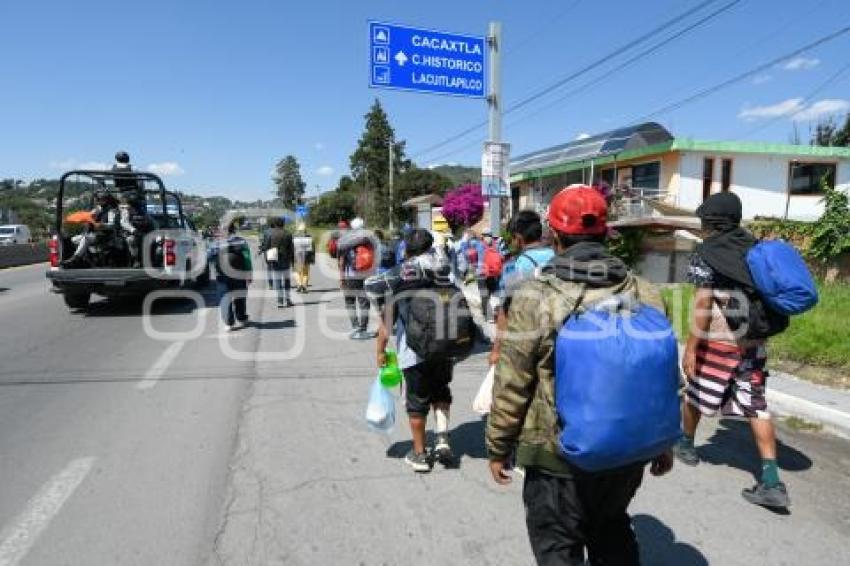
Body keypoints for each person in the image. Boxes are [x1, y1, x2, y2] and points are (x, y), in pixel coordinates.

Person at [486, 186, 675, 566]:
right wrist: (663, 441)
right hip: (626, 453)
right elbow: (660, 372)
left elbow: (513, 382)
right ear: (607, 234)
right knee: (611, 528)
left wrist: (497, 444)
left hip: (557, 459)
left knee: (558, 545)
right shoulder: (644, 291)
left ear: (554, 236)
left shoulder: (535, 296)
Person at [674, 191, 790, 509]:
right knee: (755, 404)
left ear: (710, 222)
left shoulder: (706, 253)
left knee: (696, 391)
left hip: (718, 341)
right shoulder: (754, 248)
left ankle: (685, 445)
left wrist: (691, 347)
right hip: (754, 342)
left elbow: (702, 303)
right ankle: (771, 479)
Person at [365, 229, 456, 472]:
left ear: (407, 249)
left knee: (416, 402)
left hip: (413, 350)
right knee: (441, 392)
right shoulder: (444, 269)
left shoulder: (400, 277)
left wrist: (380, 350)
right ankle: (442, 440)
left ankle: (420, 455)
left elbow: (387, 321)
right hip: (444, 346)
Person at [489, 210, 555, 367]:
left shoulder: (516, 266)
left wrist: (496, 350)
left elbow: (505, 311)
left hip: (528, 339)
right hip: (555, 335)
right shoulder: (557, 256)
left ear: (518, 238)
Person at [337, 217, 376, 340]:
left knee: (350, 302)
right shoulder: (370, 239)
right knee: (364, 303)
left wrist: (341, 277)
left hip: (350, 276)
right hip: (366, 275)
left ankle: (355, 327)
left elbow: (342, 261)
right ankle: (363, 328)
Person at [62, 189, 122, 266]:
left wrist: (102, 225)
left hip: (105, 235)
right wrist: (85, 217)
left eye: (98, 199)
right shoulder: (99, 209)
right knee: (73, 239)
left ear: (105, 199)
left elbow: (112, 225)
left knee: (86, 238)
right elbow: (89, 215)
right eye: (97, 199)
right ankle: (84, 259)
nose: (97, 201)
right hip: (95, 234)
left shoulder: (111, 210)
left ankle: (75, 258)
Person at [216, 222, 253, 331]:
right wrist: (249, 273)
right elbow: (247, 258)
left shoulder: (217, 242)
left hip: (222, 275)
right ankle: (241, 318)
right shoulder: (241, 241)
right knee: (240, 297)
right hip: (239, 274)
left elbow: (208, 256)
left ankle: (229, 323)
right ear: (234, 229)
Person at [262, 217, 294, 307]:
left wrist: (267, 258)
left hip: (275, 259)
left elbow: (266, 247)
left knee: (277, 280)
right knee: (287, 280)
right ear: (283, 224)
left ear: (275, 224)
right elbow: (291, 248)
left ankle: (280, 301)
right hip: (286, 259)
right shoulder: (288, 233)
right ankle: (288, 300)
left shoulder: (270, 234)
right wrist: (292, 260)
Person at [479, 232, 504, 323]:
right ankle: (492, 313)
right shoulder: (496, 246)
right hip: (494, 274)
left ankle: (488, 316)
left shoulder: (480, 246)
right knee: (492, 294)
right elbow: (501, 258)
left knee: (484, 295)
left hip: (482, 273)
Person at [293, 223, 314, 293]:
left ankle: (299, 284)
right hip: (307, 258)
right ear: (305, 230)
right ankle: (304, 286)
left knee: (296, 272)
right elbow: (312, 249)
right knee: (305, 273)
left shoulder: (294, 238)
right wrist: (313, 259)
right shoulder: (309, 238)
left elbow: (292, 248)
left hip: (297, 258)